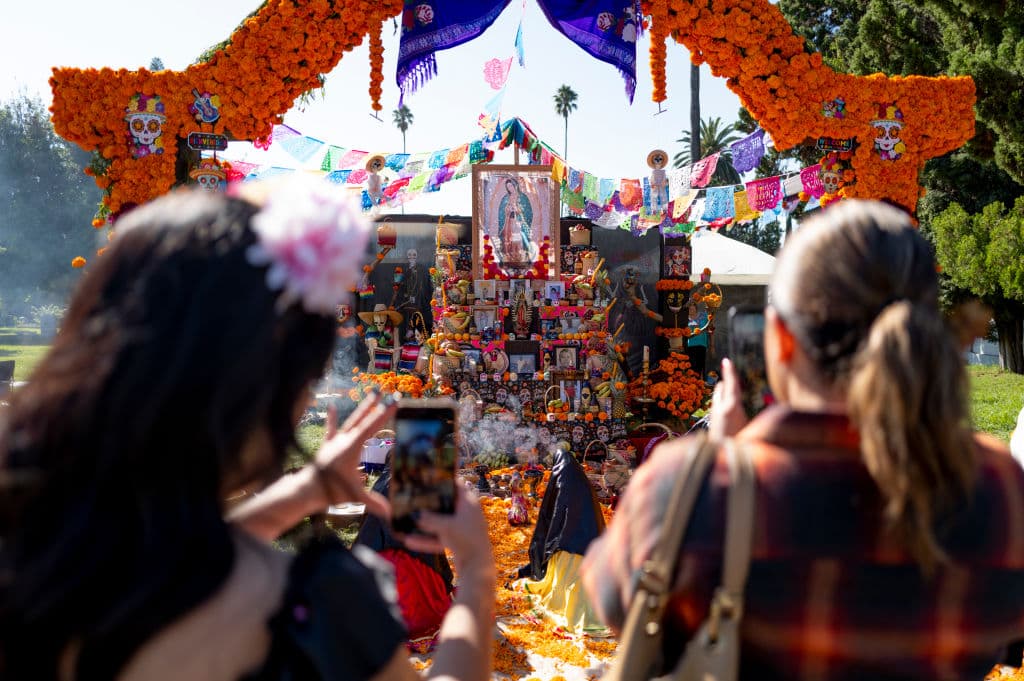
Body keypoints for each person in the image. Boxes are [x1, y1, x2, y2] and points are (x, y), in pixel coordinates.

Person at [0, 184, 495, 681]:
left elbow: (178, 559)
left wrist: (303, 494)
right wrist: (475, 574)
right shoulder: (317, 604)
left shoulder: (34, 539)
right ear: (267, 393)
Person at [581, 200, 1024, 679]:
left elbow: (610, 599)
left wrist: (725, 461)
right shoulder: (998, 487)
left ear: (781, 341)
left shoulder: (687, 489)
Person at [685, 302, 709, 378]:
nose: (691, 308)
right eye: (689, 306)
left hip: (702, 345)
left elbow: (711, 329)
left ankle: (699, 386)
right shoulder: (684, 319)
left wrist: (712, 345)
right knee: (691, 368)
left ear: (696, 307)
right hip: (689, 346)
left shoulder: (704, 315)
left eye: (692, 305)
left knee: (700, 367)